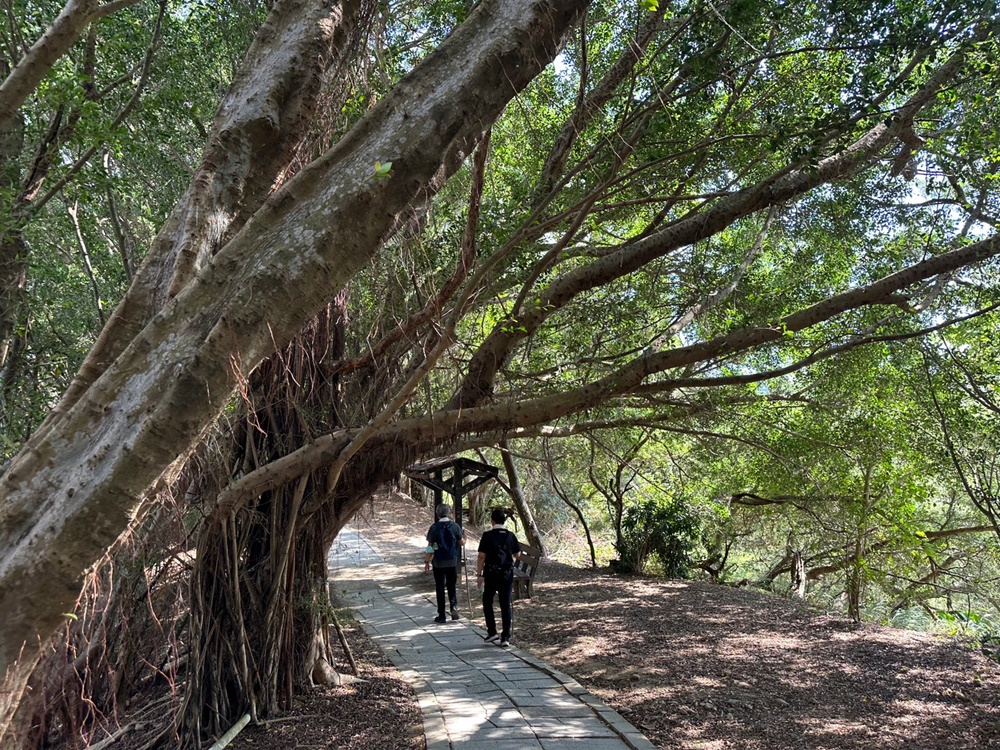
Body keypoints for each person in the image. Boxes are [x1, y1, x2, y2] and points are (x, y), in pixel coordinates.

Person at [477, 507, 521, 647]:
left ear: (492, 521)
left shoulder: (487, 535)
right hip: (506, 574)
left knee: (487, 601)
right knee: (505, 604)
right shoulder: (510, 535)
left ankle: (492, 632)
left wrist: (479, 575)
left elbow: (481, 556)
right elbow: (517, 555)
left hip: (491, 573)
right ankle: (506, 637)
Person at [424, 504, 464, 623]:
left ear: (437, 514)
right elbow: (462, 543)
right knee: (452, 586)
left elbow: (430, 546)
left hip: (438, 562)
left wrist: (427, 561)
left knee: (440, 588)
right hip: (452, 562)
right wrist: (464, 536)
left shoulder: (434, 528)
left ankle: (441, 615)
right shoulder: (455, 526)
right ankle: (453, 607)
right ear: (449, 513)